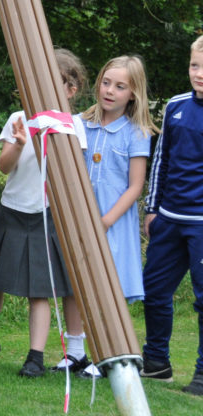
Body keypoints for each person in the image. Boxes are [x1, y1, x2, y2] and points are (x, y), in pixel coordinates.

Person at [0, 48, 89, 377]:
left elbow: (74, 175)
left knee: (39, 288)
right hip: (12, 210)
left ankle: (35, 356)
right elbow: (4, 167)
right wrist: (19, 143)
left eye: (52, 82)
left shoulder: (74, 125)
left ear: (70, 90)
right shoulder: (19, 117)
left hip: (46, 215)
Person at [76, 55, 158, 376]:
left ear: (133, 93)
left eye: (120, 86)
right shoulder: (81, 123)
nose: (110, 91)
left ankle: (109, 353)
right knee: (81, 286)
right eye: (106, 83)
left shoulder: (136, 132)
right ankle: (77, 352)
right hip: (82, 218)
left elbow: (135, 186)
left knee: (109, 288)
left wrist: (106, 221)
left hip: (112, 221)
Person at [141, 36, 203, 396]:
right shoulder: (177, 107)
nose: (199, 74)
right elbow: (161, 160)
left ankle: (201, 374)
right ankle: (156, 363)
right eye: (195, 66)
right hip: (168, 219)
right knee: (154, 291)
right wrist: (152, 210)